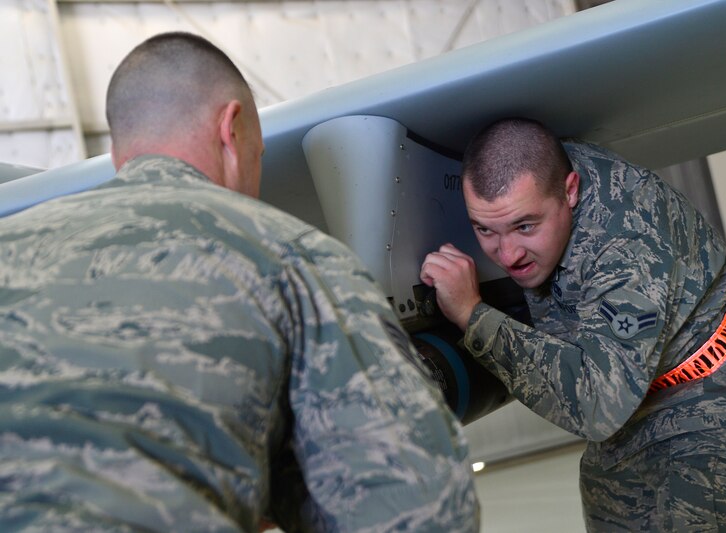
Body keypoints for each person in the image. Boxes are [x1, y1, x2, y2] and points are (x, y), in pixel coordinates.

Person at [0, 32, 479, 532]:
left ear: (123, 154)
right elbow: (420, 510)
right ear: (232, 131)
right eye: (259, 155)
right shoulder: (292, 257)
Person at [420, 117, 726, 531]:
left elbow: (597, 405)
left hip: (715, 404)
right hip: (636, 405)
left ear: (570, 191)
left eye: (525, 226)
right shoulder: (544, 180)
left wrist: (472, 315)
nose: (507, 254)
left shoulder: (628, 244)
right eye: (485, 229)